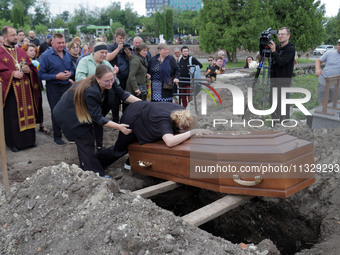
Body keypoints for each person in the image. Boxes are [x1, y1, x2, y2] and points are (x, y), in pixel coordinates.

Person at [53, 65, 140, 177]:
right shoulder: (91, 91)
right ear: (98, 79)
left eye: (112, 79)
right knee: (86, 141)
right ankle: (96, 175)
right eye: (106, 81)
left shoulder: (110, 81)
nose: (110, 83)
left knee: (87, 140)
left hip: (81, 112)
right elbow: (98, 118)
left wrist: (143, 103)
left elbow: (123, 94)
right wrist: (119, 127)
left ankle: (86, 167)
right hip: (68, 115)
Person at [96, 101, 212, 170]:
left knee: (153, 141)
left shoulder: (182, 111)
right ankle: (95, 162)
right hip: (133, 117)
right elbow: (170, 142)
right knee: (120, 149)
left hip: (146, 113)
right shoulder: (164, 121)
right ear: (181, 127)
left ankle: (133, 160)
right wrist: (191, 133)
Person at [0, 26, 40, 152]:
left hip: (26, 89)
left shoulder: (21, 52)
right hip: (11, 91)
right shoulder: (0, 53)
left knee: (28, 112)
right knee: (13, 117)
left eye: (16, 35)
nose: (16, 37)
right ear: (5, 37)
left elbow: (32, 68)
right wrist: (12, 74)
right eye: (12, 35)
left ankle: (29, 141)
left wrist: (29, 71)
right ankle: (14, 143)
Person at [39, 33, 75, 145]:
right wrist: (55, 76)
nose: (61, 45)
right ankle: (57, 136)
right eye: (59, 43)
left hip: (66, 86)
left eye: (63, 42)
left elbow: (72, 69)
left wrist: (70, 73)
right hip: (53, 87)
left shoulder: (67, 54)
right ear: (52, 43)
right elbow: (41, 75)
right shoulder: (46, 56)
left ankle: (69, 134)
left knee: (69, 110)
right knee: (56, 111)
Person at [268, 27, 296, 121]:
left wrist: (274, 52)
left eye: (283, 34)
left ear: (288, 36)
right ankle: (274, 124)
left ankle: (284, 123)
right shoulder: (278, 47)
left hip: (284, 81)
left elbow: (282, 62)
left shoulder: (290, 48)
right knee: (272, 103)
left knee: (283, 104)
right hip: (274, 80)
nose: (280, 36)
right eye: (279, 34)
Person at [22, 43, 48, 134]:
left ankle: (41, 124)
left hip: (37, 85)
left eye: (34, 51)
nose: (33, 52)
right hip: (28, 86)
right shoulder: (23, 62)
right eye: (30, 50)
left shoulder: (37, 61)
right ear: (25, 51)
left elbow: (41, 72)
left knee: (39, 104)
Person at [106, 28, 131, 122]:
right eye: (120, 38)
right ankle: (115, 119)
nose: (122, 40)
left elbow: (131, 60)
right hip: (115, 78)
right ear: (116, 37)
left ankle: (125, 119)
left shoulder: (126, 46)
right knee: (115, 101)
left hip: (126, 78)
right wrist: (118, 49)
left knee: (126, 99)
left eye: (123, 38)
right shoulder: (111, 46)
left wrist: (128, 54)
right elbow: (108, 58)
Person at [315, 39, 340, 104]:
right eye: (339, 45)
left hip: (337, 83)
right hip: (324, 79)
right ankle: (320, 113)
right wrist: (318, 69)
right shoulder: (329, 53)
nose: (339, 46)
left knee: (333, 102)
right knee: (322, 100)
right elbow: (318, 61)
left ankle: (331, 111)